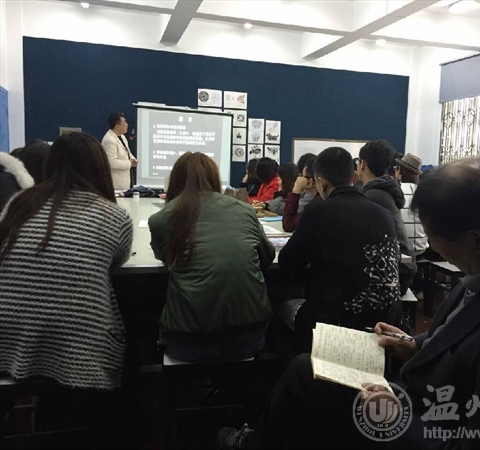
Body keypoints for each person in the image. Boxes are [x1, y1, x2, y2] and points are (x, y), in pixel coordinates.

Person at [218, 158, 480, 450]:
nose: (431, 246)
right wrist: (415, 344)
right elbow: (467, 326)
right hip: (422, 391)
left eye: (433, 238)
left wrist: (390, 414)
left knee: (305, 377)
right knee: (311, 370)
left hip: (424, 418)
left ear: (475, 240)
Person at [0, 132, 133, 390]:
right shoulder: (114, 217)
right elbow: (118, 261)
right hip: (78, 352)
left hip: (7, 342)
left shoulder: (19, 202)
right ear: (100, 168)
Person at [148, 152, 275, 362]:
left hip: (187, 341)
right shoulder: (244, 211)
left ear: (175, 181)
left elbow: (166, 259)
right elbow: (267, 257)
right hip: (250, 336)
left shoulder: (161, 218)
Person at [277, 147, 402, 353]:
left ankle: (299, 366)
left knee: (282, 307)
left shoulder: (318, 212)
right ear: (354, 177)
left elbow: (287, 262)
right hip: (384, 322)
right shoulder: (383, 213)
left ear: (321, 182)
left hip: (334, 323)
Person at [357, 140, 417, 294]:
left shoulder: (372, 196)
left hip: (394, 275)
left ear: (362, 164)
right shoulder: (385, 190)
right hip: (404, 267)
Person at [394, 153, 428, 257]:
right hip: (421, 250)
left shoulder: (395, 191)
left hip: (401, 252)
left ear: (399, 170)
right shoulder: (423, 192)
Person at [282, 157, 322, 232]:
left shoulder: (317, 204)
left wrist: (296, 190)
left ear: (310, 181)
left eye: (302, 176)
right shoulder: (318, 198)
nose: (299, 179)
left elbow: (288, 224)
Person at [102, 112, 137, 190]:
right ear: (117, 126)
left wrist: (133, 159)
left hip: (125, 183)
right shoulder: (109, 140)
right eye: (124, 122)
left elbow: (128, 153)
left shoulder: (122, 137)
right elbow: (111, 162)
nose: (127, 125)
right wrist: (129, 163)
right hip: (115, 185)